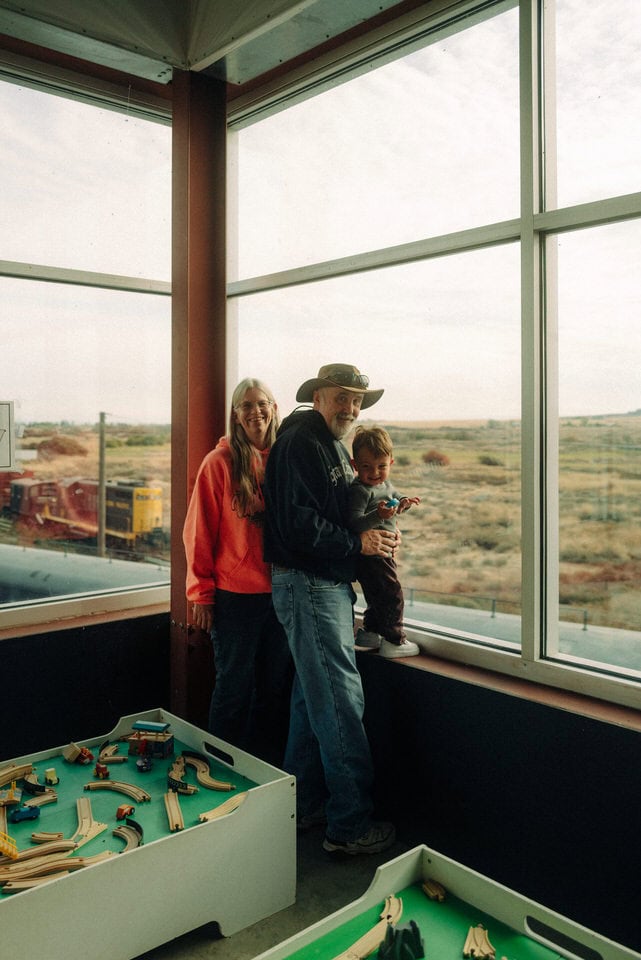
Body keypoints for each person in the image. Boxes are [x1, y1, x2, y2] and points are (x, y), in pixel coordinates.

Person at [263, 362, 399, 856]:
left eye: (357, 400)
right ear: (317, 397)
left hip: (322, 584)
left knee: (310, 700)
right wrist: (357, 543)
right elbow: (297, 525)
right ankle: (349, 826)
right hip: (310, 583)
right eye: (340, 397)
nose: (350, 408)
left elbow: (333, 512)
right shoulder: (302, 443)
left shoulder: (332, 446)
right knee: (341, 703)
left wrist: (374, 524)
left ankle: (308, 805)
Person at [183, 378, 293, 767]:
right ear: (235, 414)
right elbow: (198, 531)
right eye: (245, 405)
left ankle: (263, 775)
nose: (255, 411)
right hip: (234, 598)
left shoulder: (286, 459)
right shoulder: (219, 463)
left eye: (262, 403)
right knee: (233, 688)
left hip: (282, 594)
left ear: (274, 408)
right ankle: (220, 772)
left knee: (273, 689)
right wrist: (201, 594)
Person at [348, 425, 421, 658]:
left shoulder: (385, 485)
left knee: (377, 595)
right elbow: (354, 524)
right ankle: (394, 639)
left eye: (381, 466)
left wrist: (404, 502)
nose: (375, 473)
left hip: (383, 554)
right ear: (354, 465)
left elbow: (395, 497)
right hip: (372, 556)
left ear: (391, 463)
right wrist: (378, 515)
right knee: (392, 594)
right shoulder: (360, 491)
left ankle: (369, 634)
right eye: (366, 467)